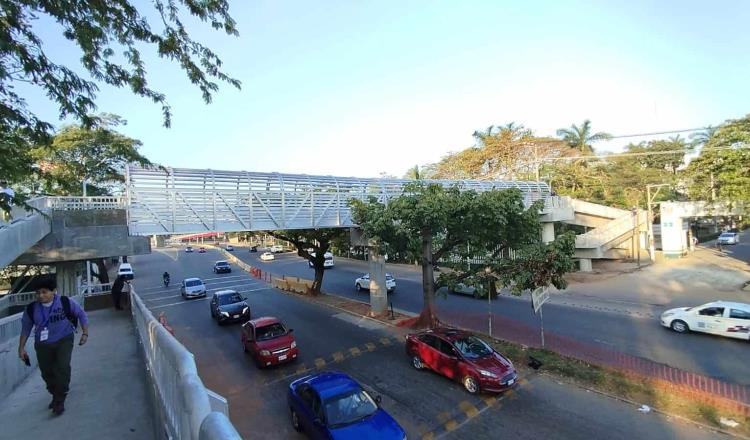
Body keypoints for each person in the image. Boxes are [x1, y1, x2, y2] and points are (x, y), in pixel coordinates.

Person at [18, 278, 89, 416]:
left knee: (62, 367)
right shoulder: (32, 309)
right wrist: (21, 348)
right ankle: (55, 393)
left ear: (53, 291)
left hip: (64, 339)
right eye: (38, 293)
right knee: (47, 372)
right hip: (43, 344)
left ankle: (60, 399)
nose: (40, 296)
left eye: (44, 292)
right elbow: (25, 329)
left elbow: (81, 314)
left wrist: (85, 333)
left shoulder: (64, 302)